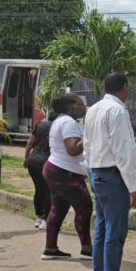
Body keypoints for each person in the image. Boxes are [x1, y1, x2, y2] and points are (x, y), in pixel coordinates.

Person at [83, 73, 136, 271]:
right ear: (124, 88)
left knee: (102, 230)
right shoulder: (117, 111)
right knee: (115, 234)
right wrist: (133, 187)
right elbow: (123, 152)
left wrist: (91, 173)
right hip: (113, 176)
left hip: (98, 173)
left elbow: (86, 146)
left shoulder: (94, 109)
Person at [41, 94, 92, 261]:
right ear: (71, 107)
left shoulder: (60, 120)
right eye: (80, 104)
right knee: (84, 207)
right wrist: (88, 137)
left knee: (58, 209)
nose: (84, 107)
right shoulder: (69, 123)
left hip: (55, 168)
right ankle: (87, 249)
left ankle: (50, 248)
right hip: (64, 171)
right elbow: (72, 149)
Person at [24, 111, 58, 230]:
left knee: (39, 189)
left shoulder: (40, 125)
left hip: (33, 161)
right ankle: (46, 220)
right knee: (49, 191)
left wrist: (26, 158)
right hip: (47, 162)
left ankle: (38, 218)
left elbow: (30, 143)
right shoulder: (58, 127)